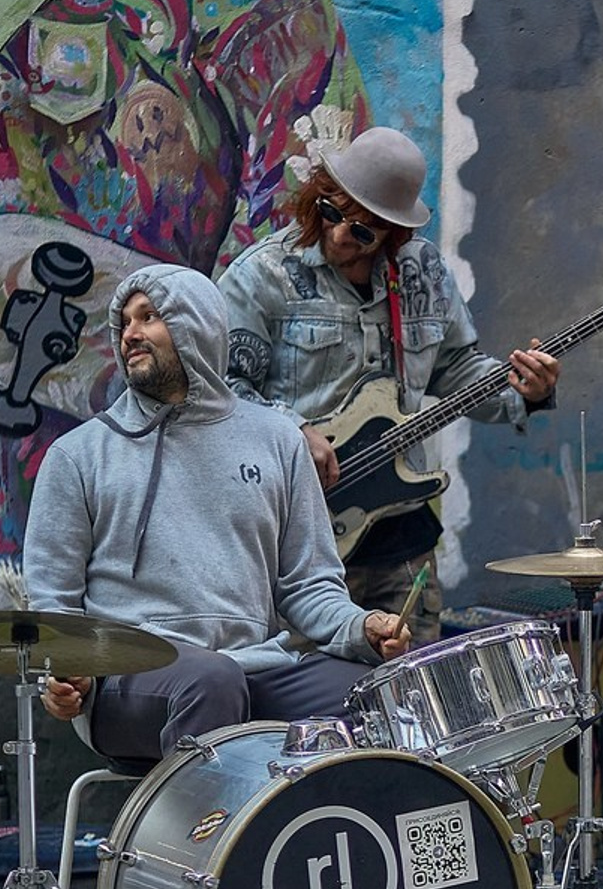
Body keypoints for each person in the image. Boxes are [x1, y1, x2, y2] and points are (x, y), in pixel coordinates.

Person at [25, 264, 409, 762]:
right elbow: (53, 604)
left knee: (383, 697)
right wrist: (64, 674)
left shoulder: (278, 440)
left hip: (255, 667)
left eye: (150, 316)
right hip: (127, 681)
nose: (130, 333)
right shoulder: (79, 454)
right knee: (211, 681)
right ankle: (200, 840)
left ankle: (342, 837)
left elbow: (309, 584)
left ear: (197, 326)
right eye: (125, 323)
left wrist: (364, 627)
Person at [216, 127, 560, 642]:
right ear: (319, 195)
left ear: (393, 234)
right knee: (307, 707)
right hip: (299, 544)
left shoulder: (421, 272)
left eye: (363, 232)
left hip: (401, 543)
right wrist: (292, 431)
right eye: (331, 214)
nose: (338, 236)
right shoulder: (263, 275)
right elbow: (220, 388)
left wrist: (525, 391)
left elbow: (458, 368)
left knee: (408, 709)